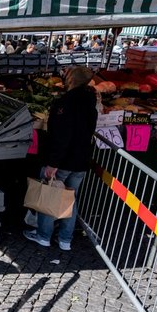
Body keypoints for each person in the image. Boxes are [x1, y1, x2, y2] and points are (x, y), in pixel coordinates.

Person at [24, 66, 97, 252]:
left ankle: (43, 236)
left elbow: (62, 136)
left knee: (52, 195)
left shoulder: (66, 102)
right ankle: (65, 239)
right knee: (70, 198)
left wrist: (53, 163)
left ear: (71, 80)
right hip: (81, 161)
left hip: (64, 161)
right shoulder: (91, 101)